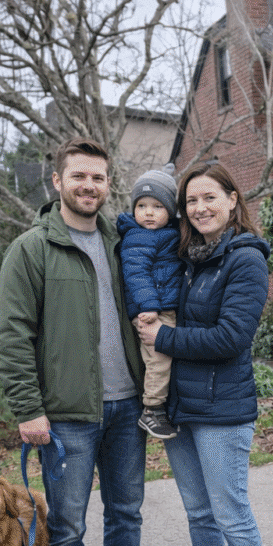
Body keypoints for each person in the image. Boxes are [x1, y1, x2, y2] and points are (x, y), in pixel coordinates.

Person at [0, 136, 157, 546]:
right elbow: (13, 335)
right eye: (79, 176)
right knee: (66, 526)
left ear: (108, 184)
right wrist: (28, 408)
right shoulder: (32, 249)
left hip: (127, 407)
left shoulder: (123, 240)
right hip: (66, 417)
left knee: (126, 515)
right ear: (57, 182)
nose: (90, 185)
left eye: (99, 177)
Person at [135, 162, 271, 546]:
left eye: (209, 197)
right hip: (183, 409)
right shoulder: (189, 258)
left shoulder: (245, 259)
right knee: (198, 513)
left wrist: (164, 336)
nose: (200, 208)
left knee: (231, 513)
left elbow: (232, 338)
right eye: (191, 201)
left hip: (223, 410)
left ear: (233, 199)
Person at [117, 164, 184, 440]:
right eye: (142, 205)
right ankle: (152, 409)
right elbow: (136, 273)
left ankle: (161, 404)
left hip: (164, 304)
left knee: (167, 357)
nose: (148, 212)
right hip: (151, 310)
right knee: (159, 358)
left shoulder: (166, 233)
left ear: (170, 210)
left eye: (157, 206)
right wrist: (149, 306)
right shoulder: (138, 236)